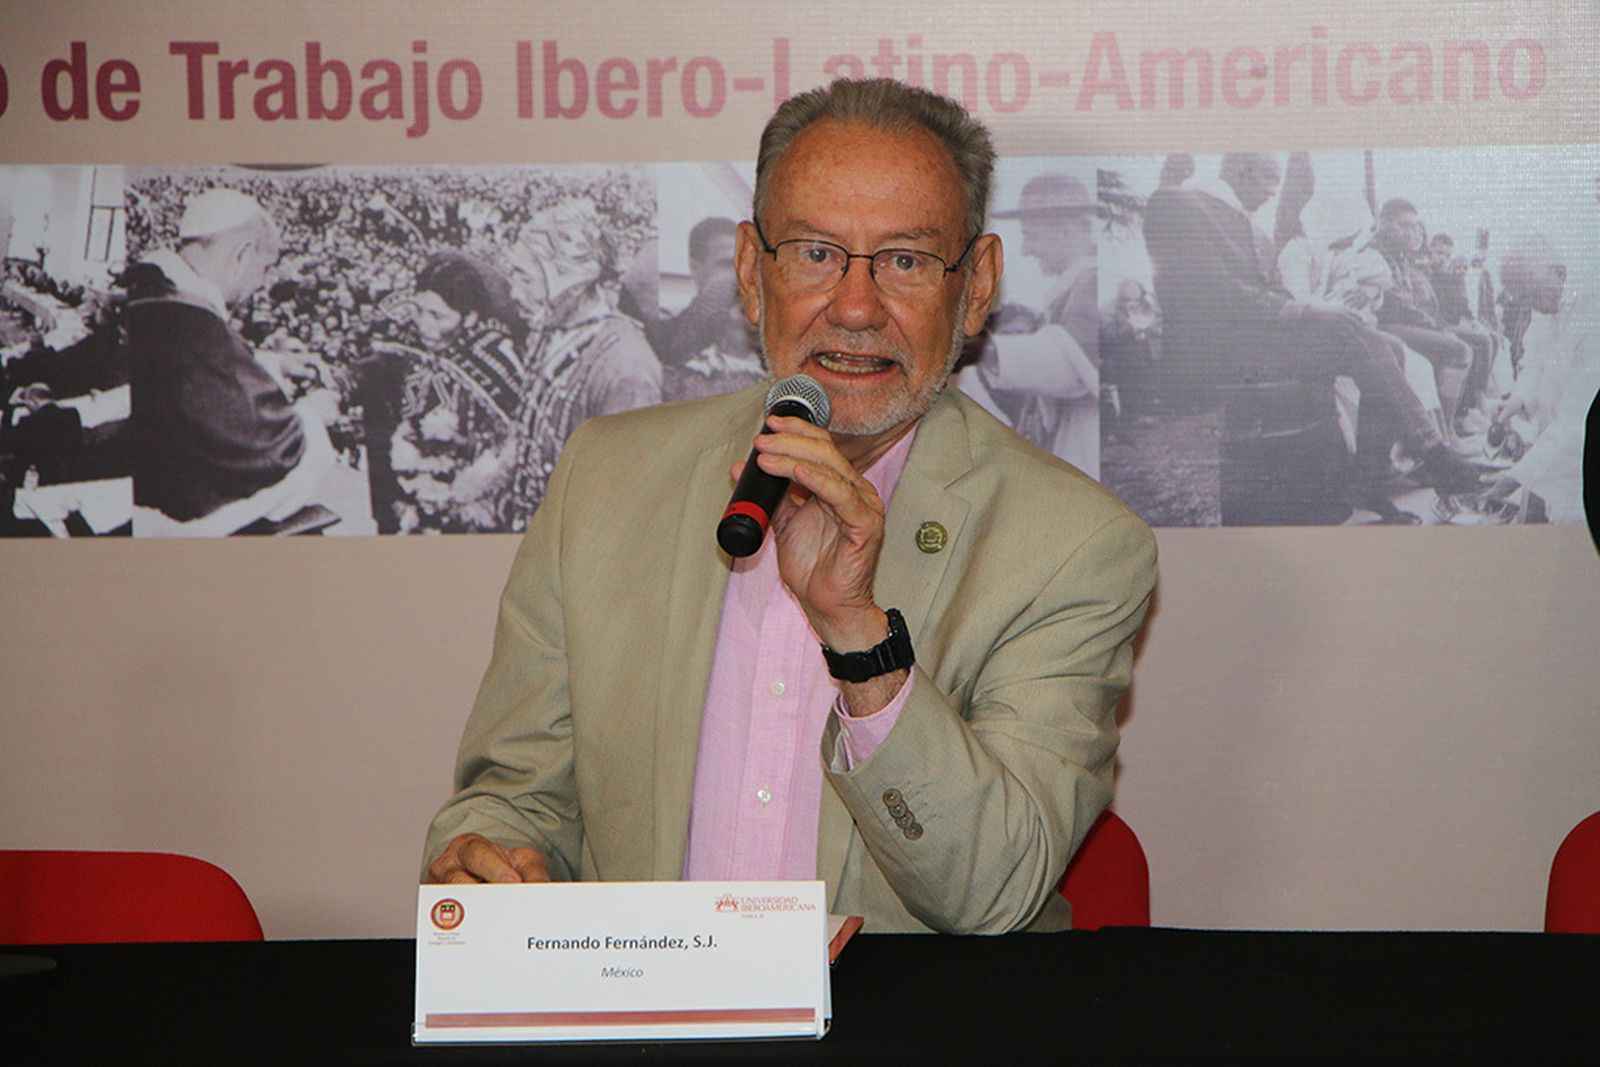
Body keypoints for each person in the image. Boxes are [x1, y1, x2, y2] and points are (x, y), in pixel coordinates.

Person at [423, 78, 1158, 934]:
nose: (854, 307)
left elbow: (992, 889)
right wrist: (493, 855)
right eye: (814, 253)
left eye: (906, 261)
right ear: (749, 271)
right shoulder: (605, 480)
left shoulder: (1076, 546)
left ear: (979, 286)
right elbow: (518, 797)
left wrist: (859, 638)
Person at [1141, 153, 1489, 495]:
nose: (1273, 191)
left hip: (1259, 340)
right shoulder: (1177, 202)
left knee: (1383, 344)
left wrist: (1321, 310)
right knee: (1362, 338)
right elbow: (1207, 289)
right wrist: (1306, 312)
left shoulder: (1247, 223)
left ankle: (1377, 472)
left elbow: (1274, 293)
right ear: (1241, 170)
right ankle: (1430, 457)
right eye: (1268, 178)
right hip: (1219, 350)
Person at [125, 188, 337, 534]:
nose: (261, 284)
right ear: (242, 255)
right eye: (264, 268)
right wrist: (313, 414)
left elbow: (200, 386)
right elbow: (275, 453)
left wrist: (271, 364)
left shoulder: (148, 289)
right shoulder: (189, 320)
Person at [506, 197, 663, 512]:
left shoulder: (625, 368)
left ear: (571, 284)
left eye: (526, 278)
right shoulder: (547, 331)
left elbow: (624, 498)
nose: (513, 291)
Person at [957, 172, 1099, 472]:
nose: (1025, 249)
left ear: (1065, 231)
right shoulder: (1071, 288)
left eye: (1030, 235)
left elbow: (1072, 367)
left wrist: (979, 350)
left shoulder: (1092, 284)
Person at [387, 250, 532, 533]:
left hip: (488, 509)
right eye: (418, 311)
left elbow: (515, 446)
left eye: (437, 316)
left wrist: (463, 490)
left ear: (469, 318)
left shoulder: (495, 357)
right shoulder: (434, 350)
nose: (423, 325)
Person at [648, 216, 766, 402]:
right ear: (696, 269)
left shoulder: (774, 348)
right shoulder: (662, 345)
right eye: (727, 265)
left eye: (747, 266)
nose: (740, 278)